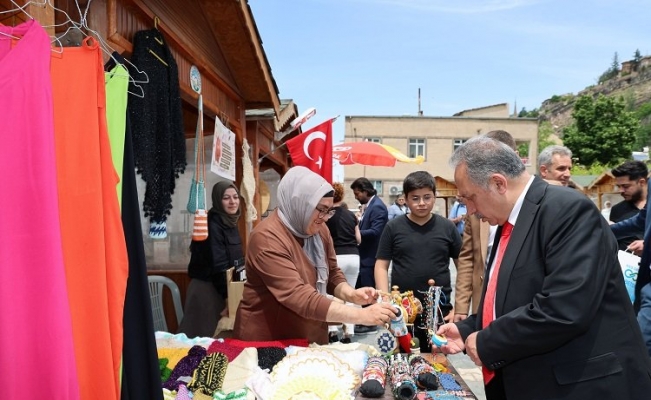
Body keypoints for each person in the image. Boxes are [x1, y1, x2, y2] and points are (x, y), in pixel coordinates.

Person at [437, 136, 651, 400]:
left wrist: (488, 341)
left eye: (470, 198)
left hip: (580, 385)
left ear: (498, 183)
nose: (469, 210)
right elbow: (516, 295)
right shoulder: (509, 221)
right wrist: (470, 328)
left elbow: (565, 307)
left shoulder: (568, 210)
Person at [233, 167, 397, 345]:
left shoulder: (318, 228)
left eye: (329, 210)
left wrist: (351, 294)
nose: (326, 217)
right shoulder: (267, 238)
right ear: (300, 203)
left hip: (306, 334)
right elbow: (298, 296)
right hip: (267, 339)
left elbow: (332, 272)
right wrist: (361, 315)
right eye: (321, 209)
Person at [375, 171, 461, 353]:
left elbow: (463, 268)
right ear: (405, 198)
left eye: (427, 197)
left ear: (435, 197)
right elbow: (381, 266)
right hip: (403, 312)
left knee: (438, 362)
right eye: (415, 198)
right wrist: (385, 301)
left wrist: (460, 307)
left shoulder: (447, 227)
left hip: (439, 311)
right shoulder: (393, 227)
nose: (422, 203)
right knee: (403, 359)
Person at [454, 129, 518, 322]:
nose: (472, 209)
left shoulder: (539, 208)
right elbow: (467, 258)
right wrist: (461, 307)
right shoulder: (475, 207)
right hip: (483, 303)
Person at [178, 181, 244, 338]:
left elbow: (236, 259)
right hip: (207, 289)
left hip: (223, 288)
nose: (232, 202)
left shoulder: (230, 222)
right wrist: (228, 297)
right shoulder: (212, 223)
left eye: (235, 197)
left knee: (218, 340)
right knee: (202, 339)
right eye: (226, 198)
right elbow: (219, 263)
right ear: (217, 200)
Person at [350, 177, 389, 334]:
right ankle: (368, 319)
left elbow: (376, 232)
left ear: (365, 191)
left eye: (357, 193)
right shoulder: (369, 205)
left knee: (369, 289)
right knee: (363, 287)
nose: (355, 196)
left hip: (371, 255)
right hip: (364, 254)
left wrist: (355, 234)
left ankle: (372, 321)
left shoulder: (378, 207)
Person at [325, 182, 362, 343]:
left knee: (331, 292)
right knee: (351, 294)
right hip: (354, 257)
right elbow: (359, 239)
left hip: (335, 256)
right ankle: (349, 332)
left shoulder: (327, 215)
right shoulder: (351, 215)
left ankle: (332, 330)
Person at [610, 160, 648, 251]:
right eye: (618, 186)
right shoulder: (617, 210)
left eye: (626, 186)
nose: (621, 190)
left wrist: (647, 245)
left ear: (641, 182)